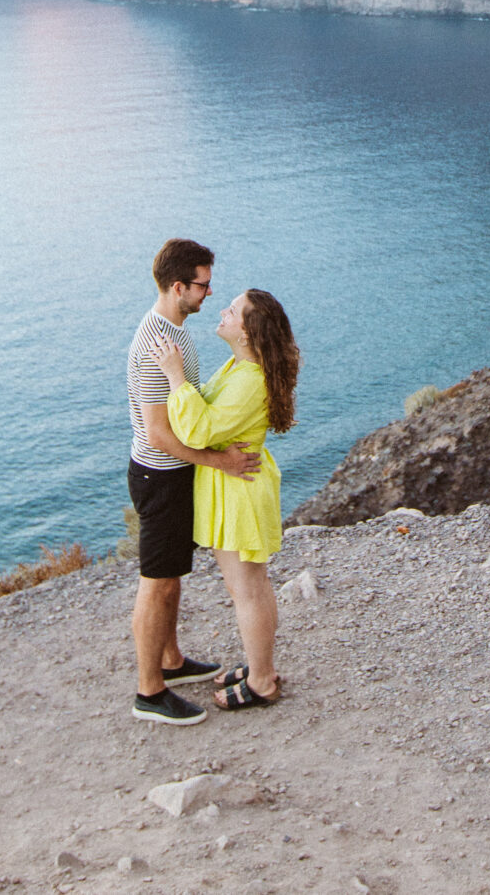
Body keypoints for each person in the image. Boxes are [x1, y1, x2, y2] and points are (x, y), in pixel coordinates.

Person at [127, 238, 260, 726]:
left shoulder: (176, 333)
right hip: (160, 476)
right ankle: (149, 691)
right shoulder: (156, 345)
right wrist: (221, 461)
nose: (210, 293)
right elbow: (159, 435)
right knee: (158, 584)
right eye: (203, 285)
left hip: (174, 473)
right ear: (178, 287)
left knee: (171, 577)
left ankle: (171, 661)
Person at [149, 286, 298, 710]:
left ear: (247, 333)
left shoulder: (249, 380)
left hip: (239, 494)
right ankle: (259, 666)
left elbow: (198, 430)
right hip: (233, 488)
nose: (222, 312)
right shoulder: (240, 365)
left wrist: (175, 375)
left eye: (232, 311)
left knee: (247, 589)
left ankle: (262, 681)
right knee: (248, 585)